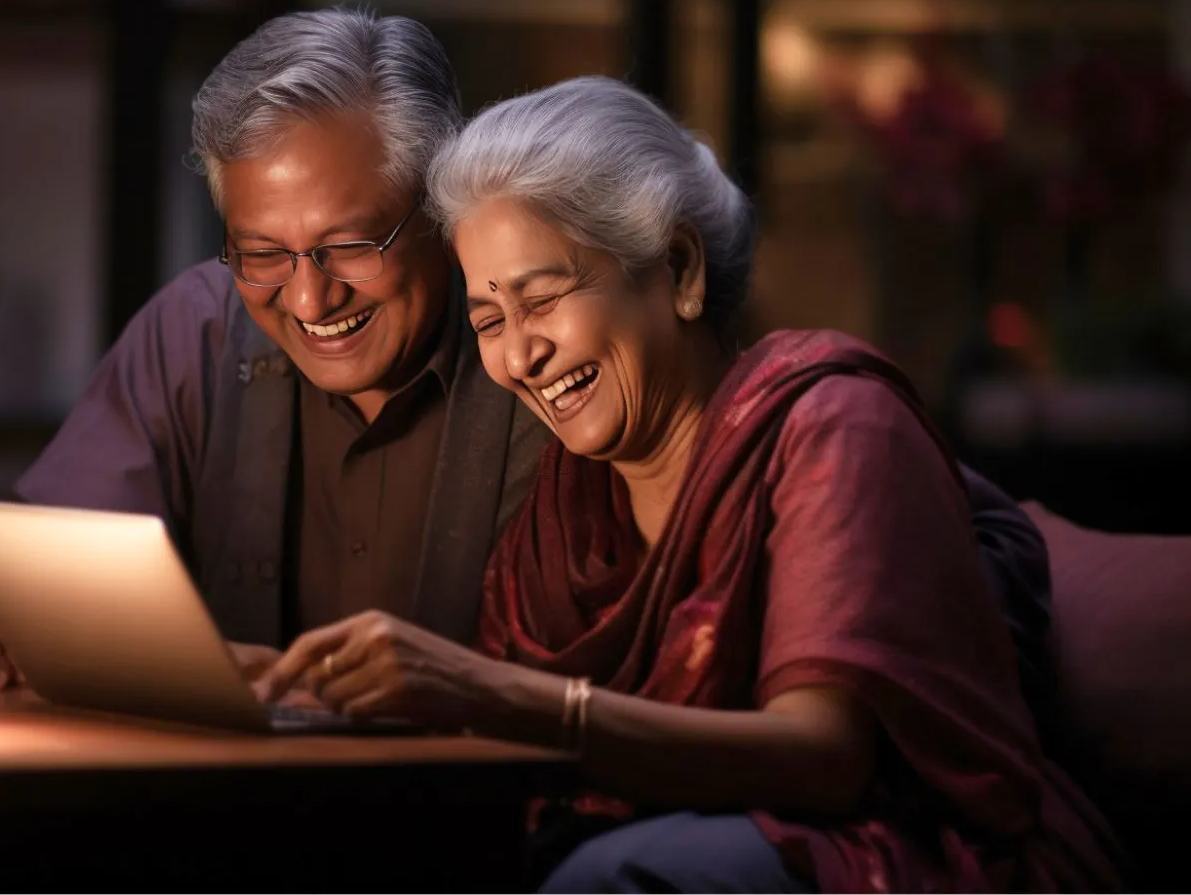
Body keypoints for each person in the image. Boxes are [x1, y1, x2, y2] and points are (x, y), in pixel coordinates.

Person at [0, 10, 1051, 730]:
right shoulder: (194, 334)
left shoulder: (570, 361)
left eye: (353, 244)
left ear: (445, 213)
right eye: (261, 255)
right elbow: (45, 568)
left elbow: (885, 533)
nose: (309, 296)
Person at [258, 76, 1122, 892]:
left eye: (544, 296)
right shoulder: (571, 500)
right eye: (490, 319)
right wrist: (314, 691)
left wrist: (501, 696)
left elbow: (827, 756)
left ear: (677, 268)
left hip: (887, 852)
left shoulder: (832, 422)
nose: (519, 354)